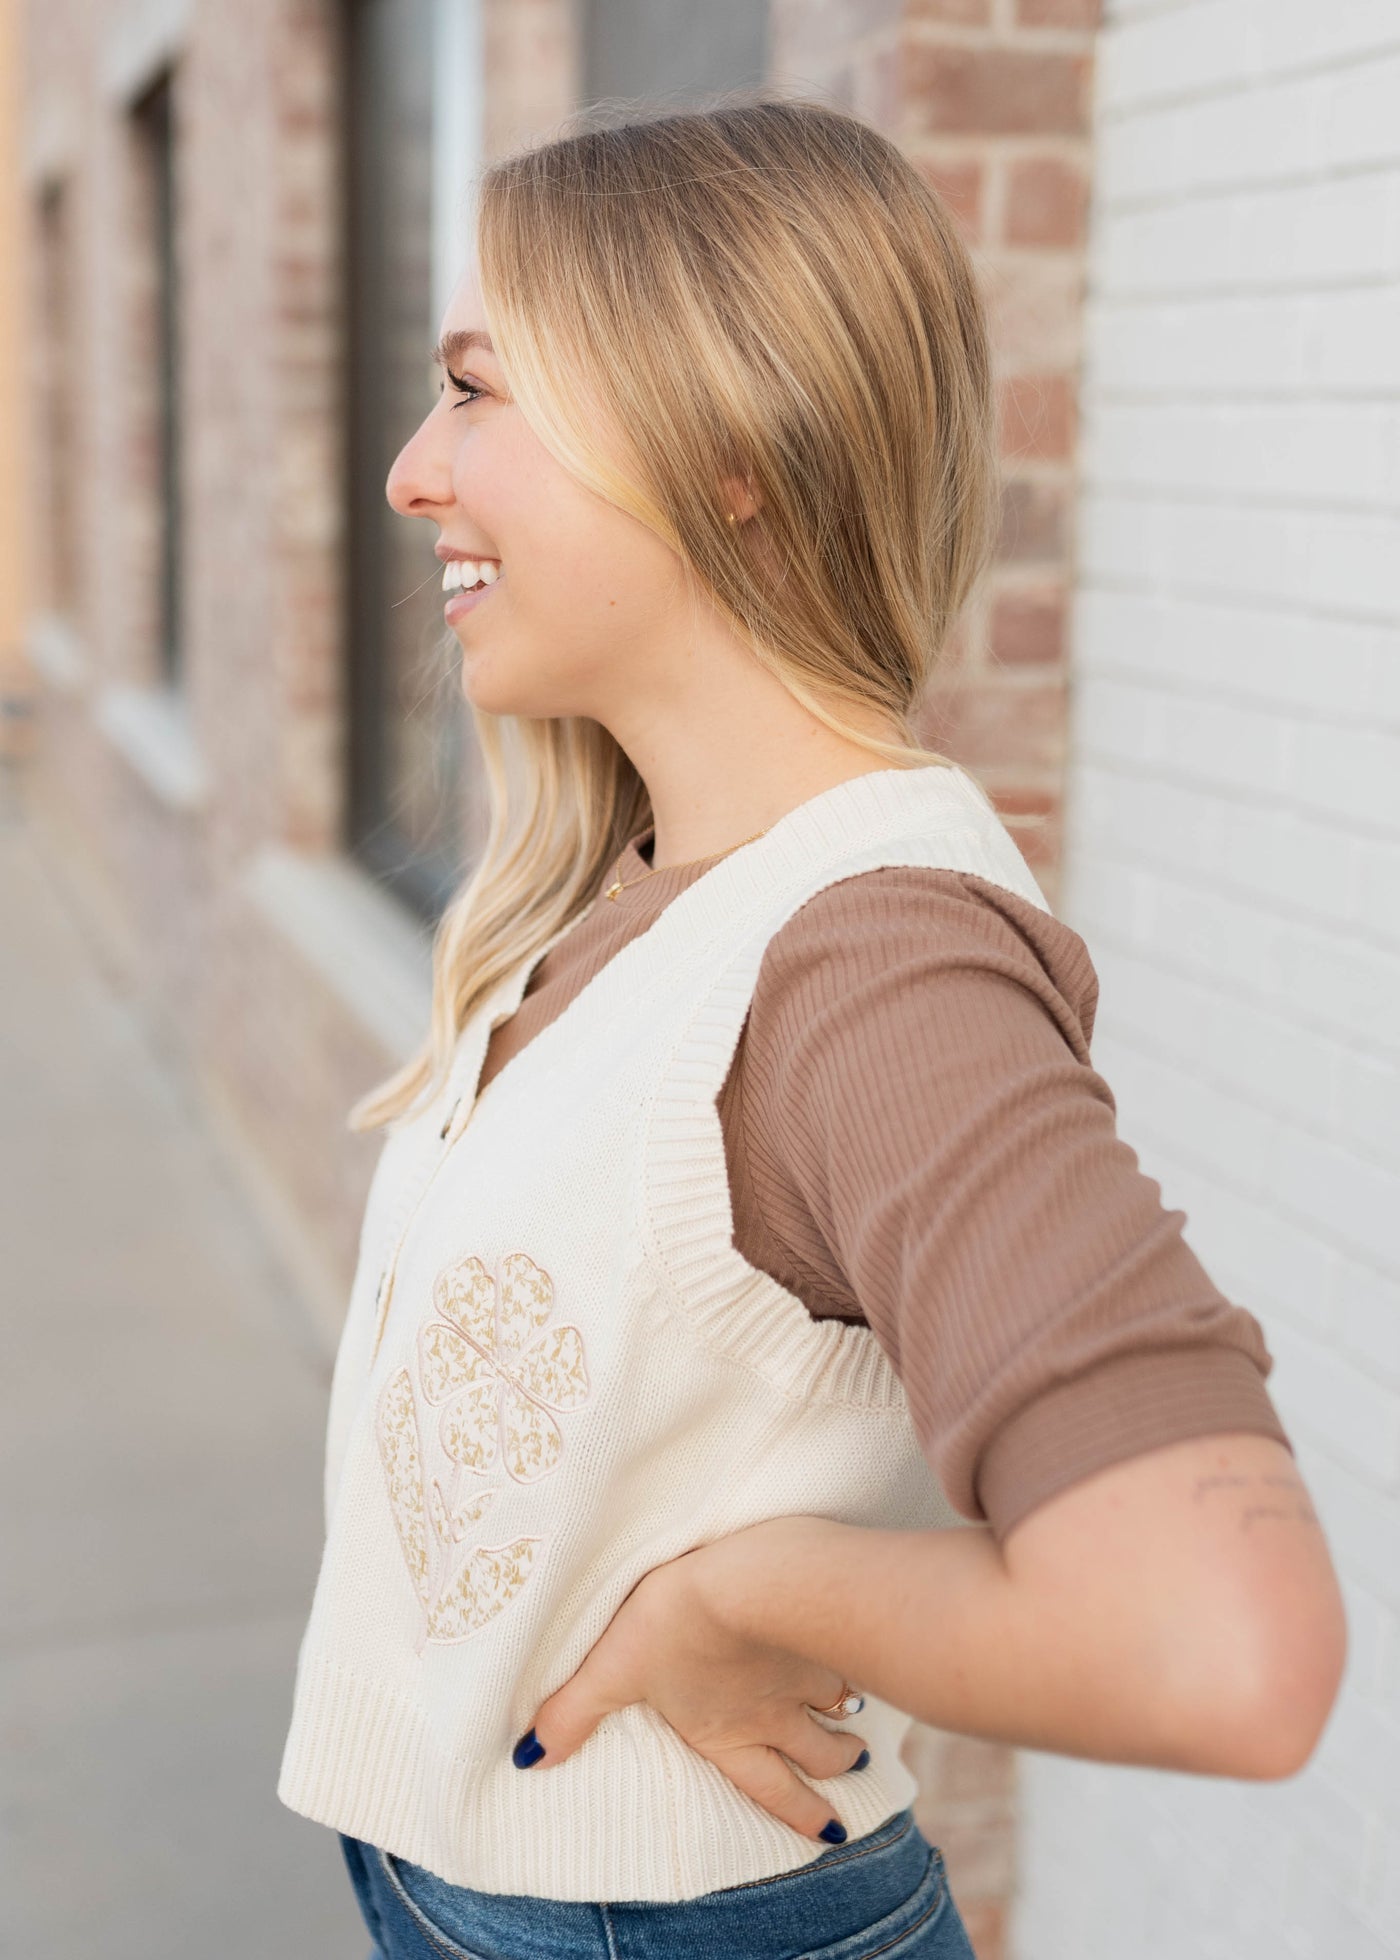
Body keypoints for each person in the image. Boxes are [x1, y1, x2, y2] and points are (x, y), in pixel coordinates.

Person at [277, 92, 1346, 1960]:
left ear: (727, 443)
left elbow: (1219, 1644)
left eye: (475, 390)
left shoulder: (872, 962)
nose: (409, 472)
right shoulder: (646, 874)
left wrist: (753, 1597)